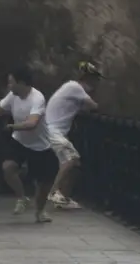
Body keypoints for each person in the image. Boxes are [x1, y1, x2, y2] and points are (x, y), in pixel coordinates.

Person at [0, 64, 59, 223]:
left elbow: (32, 123)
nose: (9, 86)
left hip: (40, 146)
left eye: (11, 82)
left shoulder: (37, 98)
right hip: (19, 141)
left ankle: (40, 212)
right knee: (7, 167)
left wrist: (13, 126)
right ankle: (22, 197)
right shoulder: (13, 96)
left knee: (43, 183)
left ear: (22, 83)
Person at [43, 61, 103, 211]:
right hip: (53, 131)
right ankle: (53, 192)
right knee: (72, 159)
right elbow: (94, 106)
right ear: (89, 79)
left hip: (52, 131)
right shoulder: (75, 88)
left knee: (74, 165)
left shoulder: (71, 89)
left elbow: (82, 108)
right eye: (95, 79)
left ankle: (63, 198)